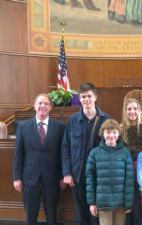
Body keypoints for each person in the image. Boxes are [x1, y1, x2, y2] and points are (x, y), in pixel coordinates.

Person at [61, 83, 110, 225]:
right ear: (79, 99)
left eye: (89, 96)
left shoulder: (106, 120)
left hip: (98, 176)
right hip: (78, 176)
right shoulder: (72, 121)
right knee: (81, 216)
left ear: (95, 97)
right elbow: (65, 148)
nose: (86, 99)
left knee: (97, 215)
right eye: (83, 97)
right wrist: (67, 173)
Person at [13, 94, 65, 225]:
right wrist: (16, 177)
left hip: (52, 179)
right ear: (34, 106)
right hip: (29, 179)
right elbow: (18, 154)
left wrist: (63, 176)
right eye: (40, 103)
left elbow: (63, 154)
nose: (43, 106)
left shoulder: (59, 127)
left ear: (50, 107)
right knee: (30, 216)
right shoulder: (23, 127)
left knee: (52, 216)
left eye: (46, 104)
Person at [86, 119, 134, 225]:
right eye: (108, 132)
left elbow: (129, 180)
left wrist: (128, 203)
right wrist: (92, 203)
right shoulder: (94, 153)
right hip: (103, 203)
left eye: (114, 132)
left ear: (118, 133)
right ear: (102, 133)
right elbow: (90, 180)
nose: (111, 135)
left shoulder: (125, 152)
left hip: (121, 203)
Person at [121, 97, 142, 225]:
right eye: (129, 109)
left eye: (135, 109)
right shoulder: (121, 128)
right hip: (126, 169)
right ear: (125, 111)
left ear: (139, 111)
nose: (132, 111)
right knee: (129, 201)